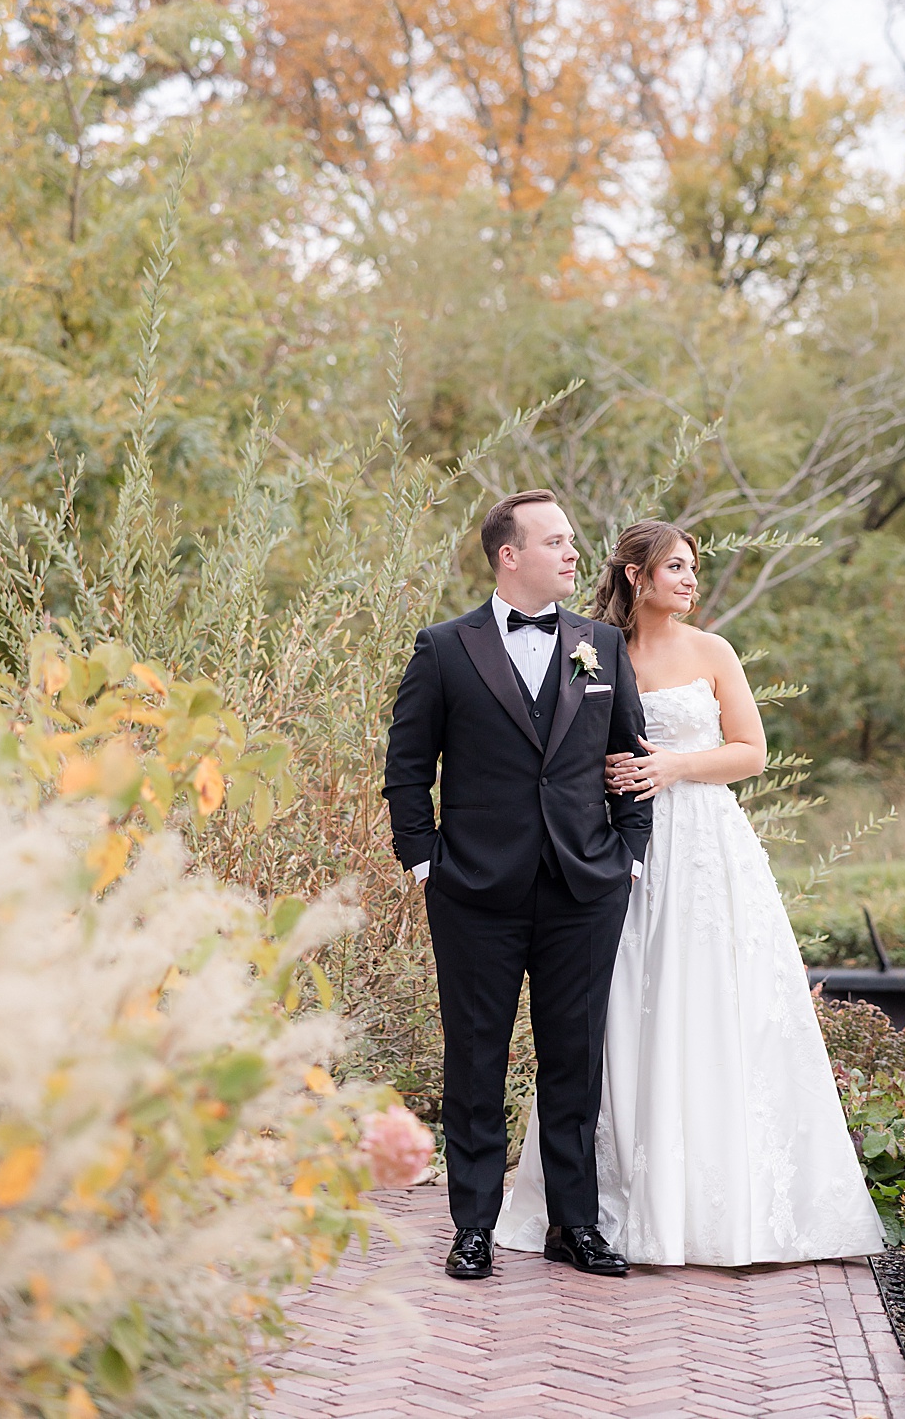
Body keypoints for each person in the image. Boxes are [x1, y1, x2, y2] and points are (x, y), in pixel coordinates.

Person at [494, 519, 886, 1266]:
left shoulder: (714, 652)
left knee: (712, 1006)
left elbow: (751, 753)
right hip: (619, 851)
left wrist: (673, 767)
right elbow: (565, 745)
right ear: (637, 576)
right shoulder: (593, 651)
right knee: (618, 1010)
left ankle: (720, 1207)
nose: (690, 580)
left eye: (693, 568)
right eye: (675, 567)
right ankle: (601, 1204)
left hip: (706, 848)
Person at [383, 490, 651, 1280]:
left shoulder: (600, 643)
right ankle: (472, 1228)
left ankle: (575, 1225)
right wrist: (425, 861)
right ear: (511, 555)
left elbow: (632, 760)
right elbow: (406, 771)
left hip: (584, 886)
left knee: (576, 1059)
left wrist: (628, 857)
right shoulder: (443, 648)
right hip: (473, 892)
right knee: (475, 1059)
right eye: (558, 542)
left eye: (572, 541)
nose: (574, 554)